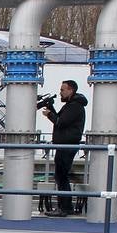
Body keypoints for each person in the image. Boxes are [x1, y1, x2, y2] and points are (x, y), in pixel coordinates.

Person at [42, 79, 88, 217]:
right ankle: (65, 207)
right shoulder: (71, 105)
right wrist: (52, 110)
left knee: (61, 176)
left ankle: (65, 208)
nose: (60, 92)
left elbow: (60, 122)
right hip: (65, 145)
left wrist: (49, 114)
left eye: (63, 90)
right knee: (61, 176)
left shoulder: (74, 106)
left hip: (67, 146)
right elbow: (61, 120)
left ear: (70, 90)